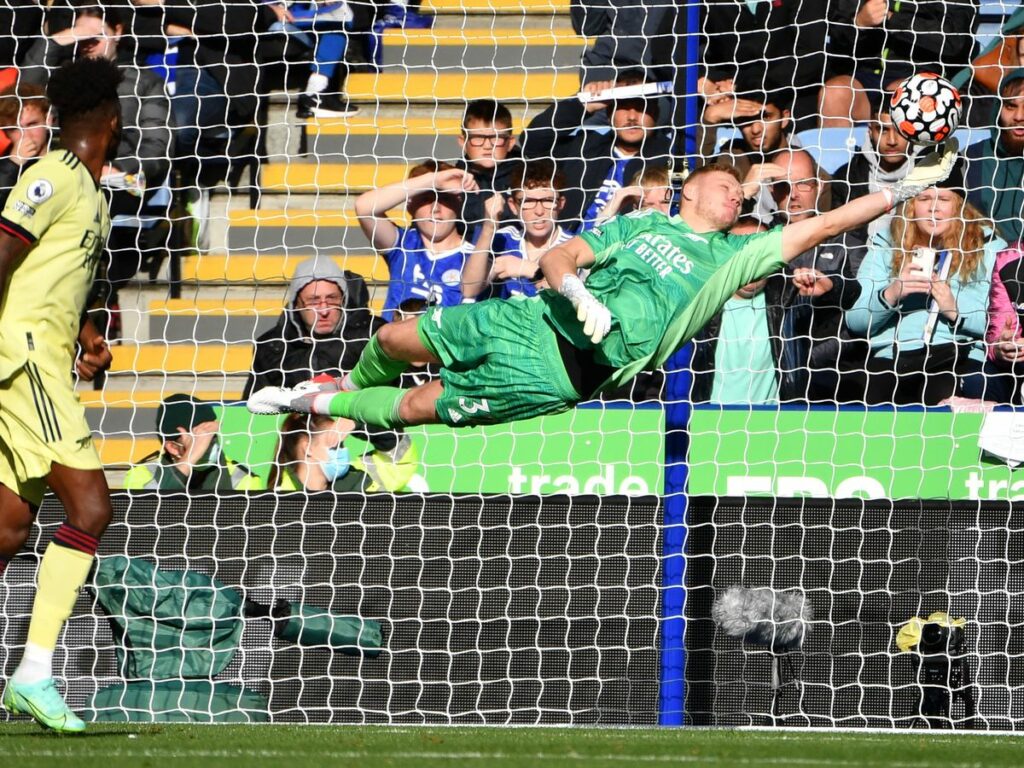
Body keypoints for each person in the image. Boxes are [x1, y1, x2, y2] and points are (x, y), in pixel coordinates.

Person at [247, 142, 962, 430]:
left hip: (564, 372)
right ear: (688, 192)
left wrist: (904, 188)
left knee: (413, 406)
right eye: (724, 188)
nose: (735, 199)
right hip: (533, 319)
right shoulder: (635, 229)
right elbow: (559, 259)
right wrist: (582, 294)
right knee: (395, 338)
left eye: (740, 196)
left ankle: (321, 401)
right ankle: (335, 385)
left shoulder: (734, 258)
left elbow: (827, 219)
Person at [0, 57, 120, 733]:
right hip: (23, 362)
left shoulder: (94, 193)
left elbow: (54, 275)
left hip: (41, 357)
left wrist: (88, 332)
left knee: (10, 529)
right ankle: (35, 674)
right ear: (109, 117)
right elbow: (2, 254)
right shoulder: (52, 176)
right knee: (91, 506)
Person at [845, 167, 1003, 405]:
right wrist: (892, 293)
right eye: (924, 198)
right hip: (892, 359)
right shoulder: (886, 245)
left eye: (944, 199)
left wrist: (954, 309)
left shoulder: (989, 247)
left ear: (959, 205)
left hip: (958, 355)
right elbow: (855, 322)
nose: (933, 208)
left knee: (945, 393)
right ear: (910, 205)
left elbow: (1002, 323)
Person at [767, 149, 869, 402]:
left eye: (803, 183)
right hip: (768, 369)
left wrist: (832, 287)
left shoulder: (847, 241)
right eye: (783, 186)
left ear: (820, 186)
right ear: (770, 191)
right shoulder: (756, 241)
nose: (794, 195)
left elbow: (863, 302)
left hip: (835, 374)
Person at [519, 68, 672, 231]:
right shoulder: (585, 147)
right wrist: (582, 105)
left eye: (641, 107)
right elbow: (531, 142)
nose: (632, 116)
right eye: (624, 106)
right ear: (609, 113)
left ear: (655, 114)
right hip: (566, 246)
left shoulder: (670, 156)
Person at [819, 0, 978, 126]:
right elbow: (837, 39)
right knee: (834, 93)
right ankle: (841, 167)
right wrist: (859, 22)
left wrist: (893, 19)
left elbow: (954, 41)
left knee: (900, 95)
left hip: (924, 78)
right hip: (866, 76)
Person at [354, 160, 475, 321]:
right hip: (396, 344)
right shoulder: (404, 245)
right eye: (426, 198)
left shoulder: (477, 255)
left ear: (459, 202)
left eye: (444, 198)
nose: (435, 209)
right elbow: (364, 207)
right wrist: (434, 180)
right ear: (410, 206)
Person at [243, 257, 381, 398]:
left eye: (332, 299)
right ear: (296, 304)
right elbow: (252, 406)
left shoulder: (373, 335)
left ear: (343, 300)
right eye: (313, 301)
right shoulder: (272, 347)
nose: (324, 310)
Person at [461, 159, 573, 302]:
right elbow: (469, 289)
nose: (539, 211)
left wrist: (530, 270)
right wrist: (489, 226)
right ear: (513, 206)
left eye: (548, 200)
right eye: (528, 201)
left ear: (560, 204)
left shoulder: (572, 245)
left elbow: (574, 299)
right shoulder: (503, 239)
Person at [122, 394, 263, 492]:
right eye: (200, 438)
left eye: (212, 436)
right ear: (172, 447)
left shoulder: (241, 478)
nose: (208, 444)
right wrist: (190, 458)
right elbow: (145, 519)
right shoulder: (142, 475)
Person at [831, 98, 920, 240]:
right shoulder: (847, 178)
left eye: (900, 131)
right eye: (883, 130)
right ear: (870, 131)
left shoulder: (934, 173)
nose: (892, 141)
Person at [269, 412, 423, 493]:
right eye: (336, 445)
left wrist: (359, 424)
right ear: (308, 447)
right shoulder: (277, 499)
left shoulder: (361, 480)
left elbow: (400, 450)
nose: (343, 452)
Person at [966, 69, 1024, 243]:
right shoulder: (970, 158)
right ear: (998, 109)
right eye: (1010, 106)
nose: (1019, 116)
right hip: (983, 263)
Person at [454, 99, 521, 235]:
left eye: (496, 137)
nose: (487, 146)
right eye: (478, 137)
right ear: (463, 141)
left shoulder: (526, 178)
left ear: (510, 142)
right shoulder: (453, 181)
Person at [0, 84, 50, 209]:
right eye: (14, 129)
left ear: (48, 119)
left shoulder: (70, 149)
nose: (25, 135)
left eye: (31, 124)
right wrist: (13, 164)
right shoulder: (5, 167)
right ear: (5, 133)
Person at [593, 165, 673, 225]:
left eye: (665, 202)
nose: (659, 210)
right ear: (636, 208)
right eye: (649, 205)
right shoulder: (628, 231)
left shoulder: (683, 230)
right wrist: (618, 197)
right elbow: (597, 240)